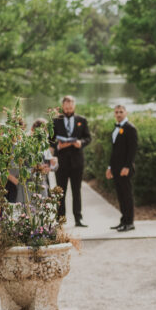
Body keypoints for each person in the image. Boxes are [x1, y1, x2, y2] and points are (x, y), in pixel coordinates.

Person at [51, 95, 91, 227]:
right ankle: (60, 219)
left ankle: (78, 219)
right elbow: (50, 139)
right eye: (66, 106)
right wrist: (58, 145)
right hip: (61, 162)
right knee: (60, 192)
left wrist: (81, 142)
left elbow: (88, 138)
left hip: (77, 162)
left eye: (71, 106)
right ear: (63, 106)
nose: (68, 108)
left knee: (76, 191)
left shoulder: (82, 120)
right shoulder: (55, 120)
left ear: (74, 106)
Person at [105, 104, 138, 232]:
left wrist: (127, 166)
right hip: (115, 168)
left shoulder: (130, 128)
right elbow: (114, 151)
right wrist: (109, 167)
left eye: (121, 112)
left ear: (126, 113)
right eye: (116, 112)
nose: (118, 114)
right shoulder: (116, 128)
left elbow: (132, 150)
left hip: (125, 169)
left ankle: (130, 222)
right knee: (120, 195)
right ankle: (123, 221)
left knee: (127, 195)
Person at [32, 118, 57, 196]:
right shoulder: (27, 146)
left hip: (44, 184)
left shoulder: (45, 146)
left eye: (46, 132)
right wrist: (38, 168)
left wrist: (53, 164)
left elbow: (53, 166)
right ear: (33, 130)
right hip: (30, 186)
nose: (46, 135)